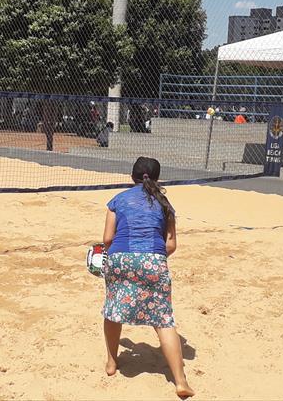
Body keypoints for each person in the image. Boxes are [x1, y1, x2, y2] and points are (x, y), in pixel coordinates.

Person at [100, 157, 193, 399]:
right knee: (164, 320)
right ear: (157, 177)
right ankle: (180, 381)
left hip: (121, 258)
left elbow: (108, 239)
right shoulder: (165, 204)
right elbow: (171, 244)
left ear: (133, 176)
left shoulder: (118, 200)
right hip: (153, 260)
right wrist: (154, 259)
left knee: (113, 310)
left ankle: (111, 363)